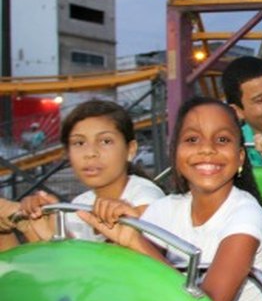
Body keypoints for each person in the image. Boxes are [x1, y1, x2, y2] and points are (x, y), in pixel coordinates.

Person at [78, 97, 262, 301]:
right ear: (176, 154)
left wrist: (137, 242)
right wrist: (121, 233)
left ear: (240, 157)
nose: (206, 149)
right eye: (192, 140)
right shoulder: (166, 209)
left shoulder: (245, 215)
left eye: (222, 140)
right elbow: (120, 281)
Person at [13, 100, 164, 245]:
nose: (90, 153)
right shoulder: (80, 204)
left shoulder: (146, 198)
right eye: (79, 143)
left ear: (130, 150)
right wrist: (46, 224)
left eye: (105, 141)